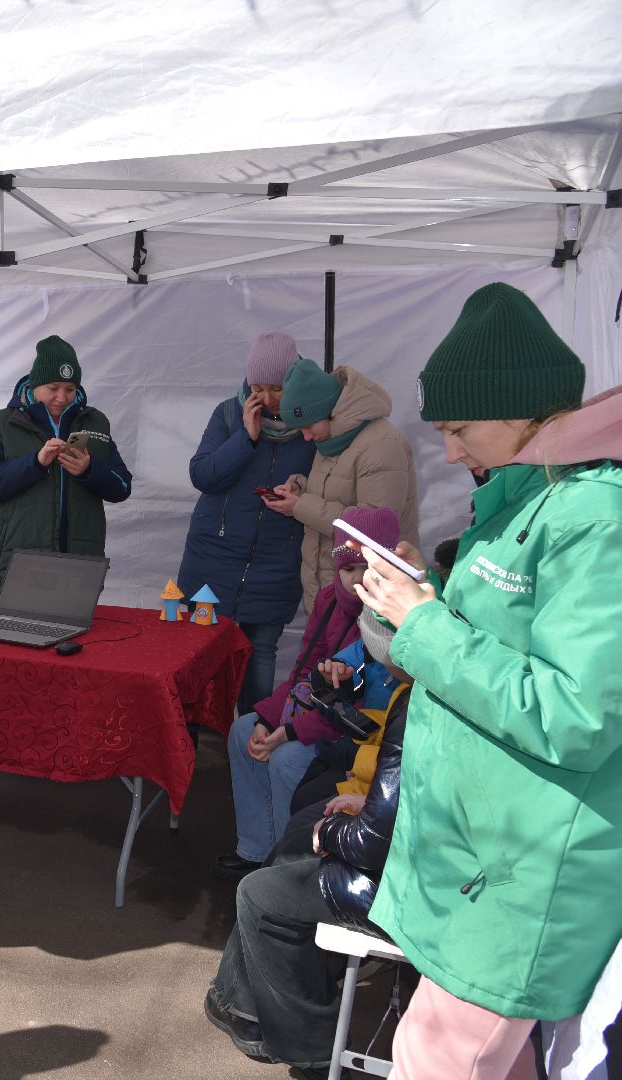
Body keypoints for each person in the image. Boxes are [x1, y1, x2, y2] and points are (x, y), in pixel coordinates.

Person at [356, 282, 622, 1080]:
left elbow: (576, 714)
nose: (450, 451)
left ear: (527, 412)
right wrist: (418, 615)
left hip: (520, 866)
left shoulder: (595, 518)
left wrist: (426, 624)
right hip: (480, 854)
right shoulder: (522, 496)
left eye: (459, 428)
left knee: (434, 1062)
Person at [205, 607, 412, 1077]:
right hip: (398, 832)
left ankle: (313, 1050)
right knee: (295, 837)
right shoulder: (416, 691)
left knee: (265, 889)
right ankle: (240, 1003)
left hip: (414, 872)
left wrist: (335, 830)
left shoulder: (416, 702)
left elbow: (379, 836)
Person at [216, 506, 398, 880]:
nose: (356, 580)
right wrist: (269, 717)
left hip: (356, 729)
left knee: (286, 760)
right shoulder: (330, 600)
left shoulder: (389, 614)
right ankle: (257, 851)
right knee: (242, 731)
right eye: (348, 569)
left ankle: (290, 866)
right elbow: (303, 672)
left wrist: (289, 731)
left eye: (366, 569)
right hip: (319, 712)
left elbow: (358, 708)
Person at [178, 331, 317, 714]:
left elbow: (324, 488)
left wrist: (300, 502)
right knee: (201, 659)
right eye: (259, 387)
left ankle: (249, 743)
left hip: (276, 564)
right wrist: (247, 438)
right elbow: (203, 476)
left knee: (260, 658)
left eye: (277, 388)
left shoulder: (313, 426)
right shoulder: (227, 413)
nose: (268, 398)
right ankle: (193, 744)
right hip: (213, 561)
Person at [0, 334, 132, 592]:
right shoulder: (1, 423)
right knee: (12, 632)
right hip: (13, 568)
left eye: (70, 389)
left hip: (78, 568)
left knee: (78, 633)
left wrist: (89, 471)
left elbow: (123, 487)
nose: (62, 397)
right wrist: (35, 463)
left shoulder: (95, 423)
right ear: (34, 386)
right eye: (53, 388)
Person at [266, 357, 419, 608]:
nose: (306, 438)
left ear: (329, 411)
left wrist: (300, 506)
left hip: (370, 594)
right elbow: (339, 493)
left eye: (306, 427)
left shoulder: (381, 444)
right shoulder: (333, 438)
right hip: (334, 587)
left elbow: (374, 529)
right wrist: (299, 489)